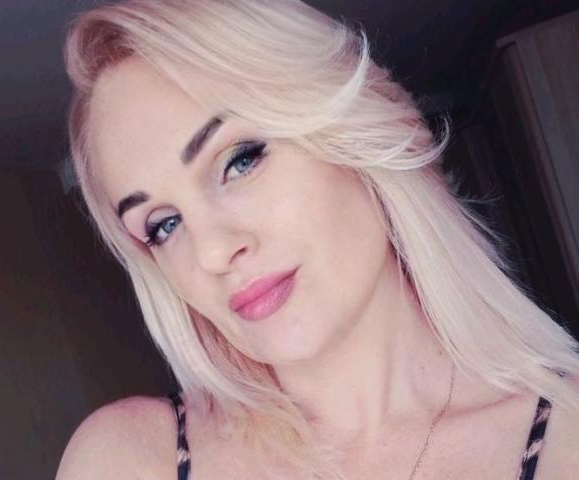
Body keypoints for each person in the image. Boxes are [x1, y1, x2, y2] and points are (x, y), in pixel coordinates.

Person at [55, 1, 579, 479]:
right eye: (163, 225)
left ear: (354, 130)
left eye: (240, 161)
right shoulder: (130, 459)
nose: (212, 252)